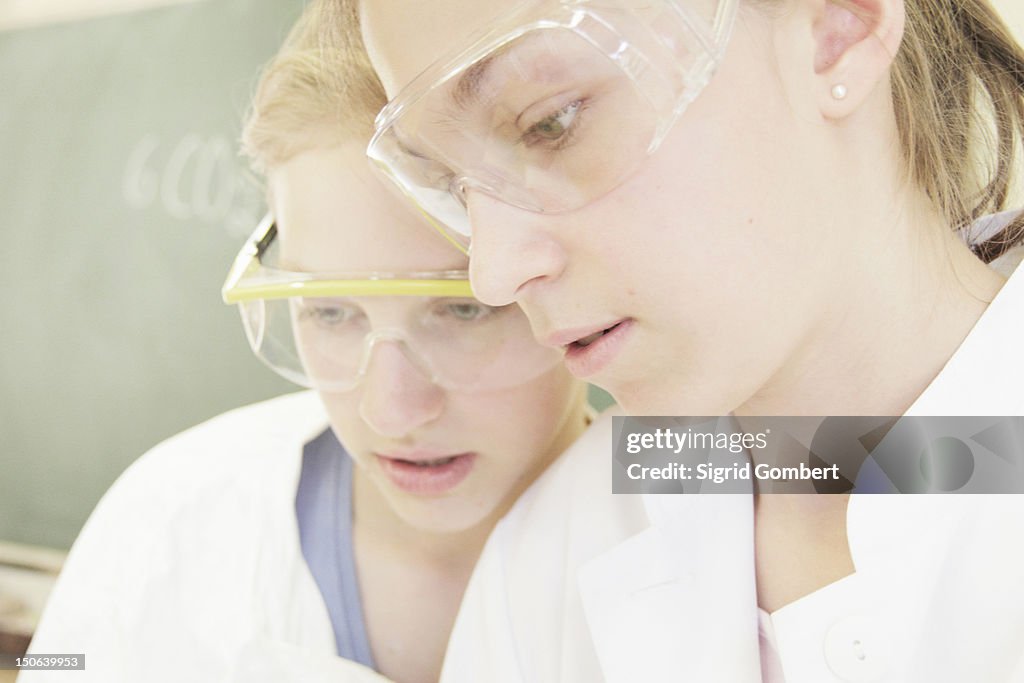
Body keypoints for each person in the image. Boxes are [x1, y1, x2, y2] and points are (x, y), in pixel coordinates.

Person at [353, 0, 1024, 680]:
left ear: (838, 27)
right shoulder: (549, 557)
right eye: (450, 185)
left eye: (551, 122)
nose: (493, 272)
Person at [21, 2, 589, 681]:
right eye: (328, 311)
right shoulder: (165, 517)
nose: (390, 411)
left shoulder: (700, 481)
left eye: (464, 309)